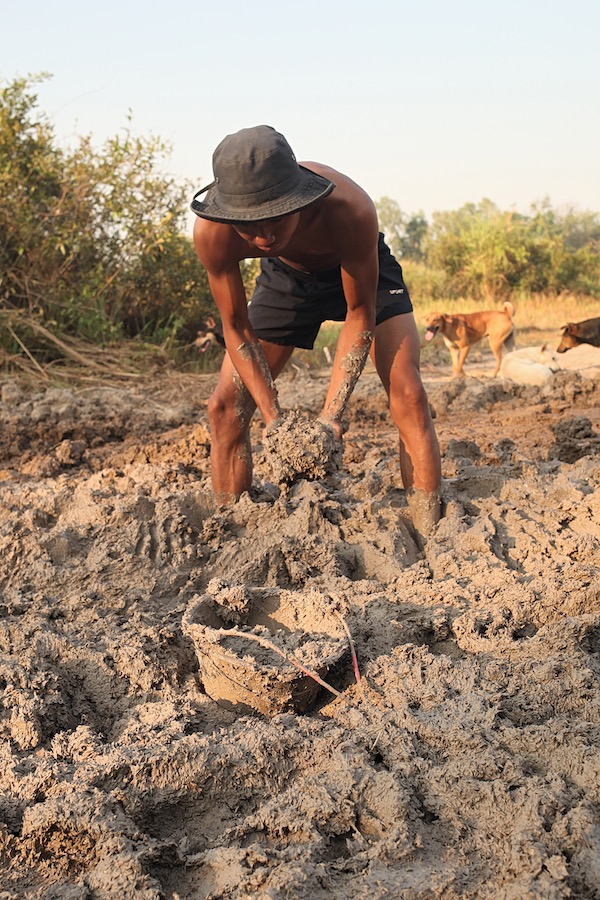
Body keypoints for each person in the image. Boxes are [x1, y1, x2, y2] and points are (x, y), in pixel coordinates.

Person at [191, 125, 442, 539]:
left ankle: (429, 527)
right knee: (224, 407)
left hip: (361, 271)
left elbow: (360, 311)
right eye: (249, 226)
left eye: (276, 218)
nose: (264, 237)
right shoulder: (214, 234)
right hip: (287, 279)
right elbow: (236, 326)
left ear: (300, 198)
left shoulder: (349, 209)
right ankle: (231, 530)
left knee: (409, 392)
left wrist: (331, 416)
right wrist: (274, 418)